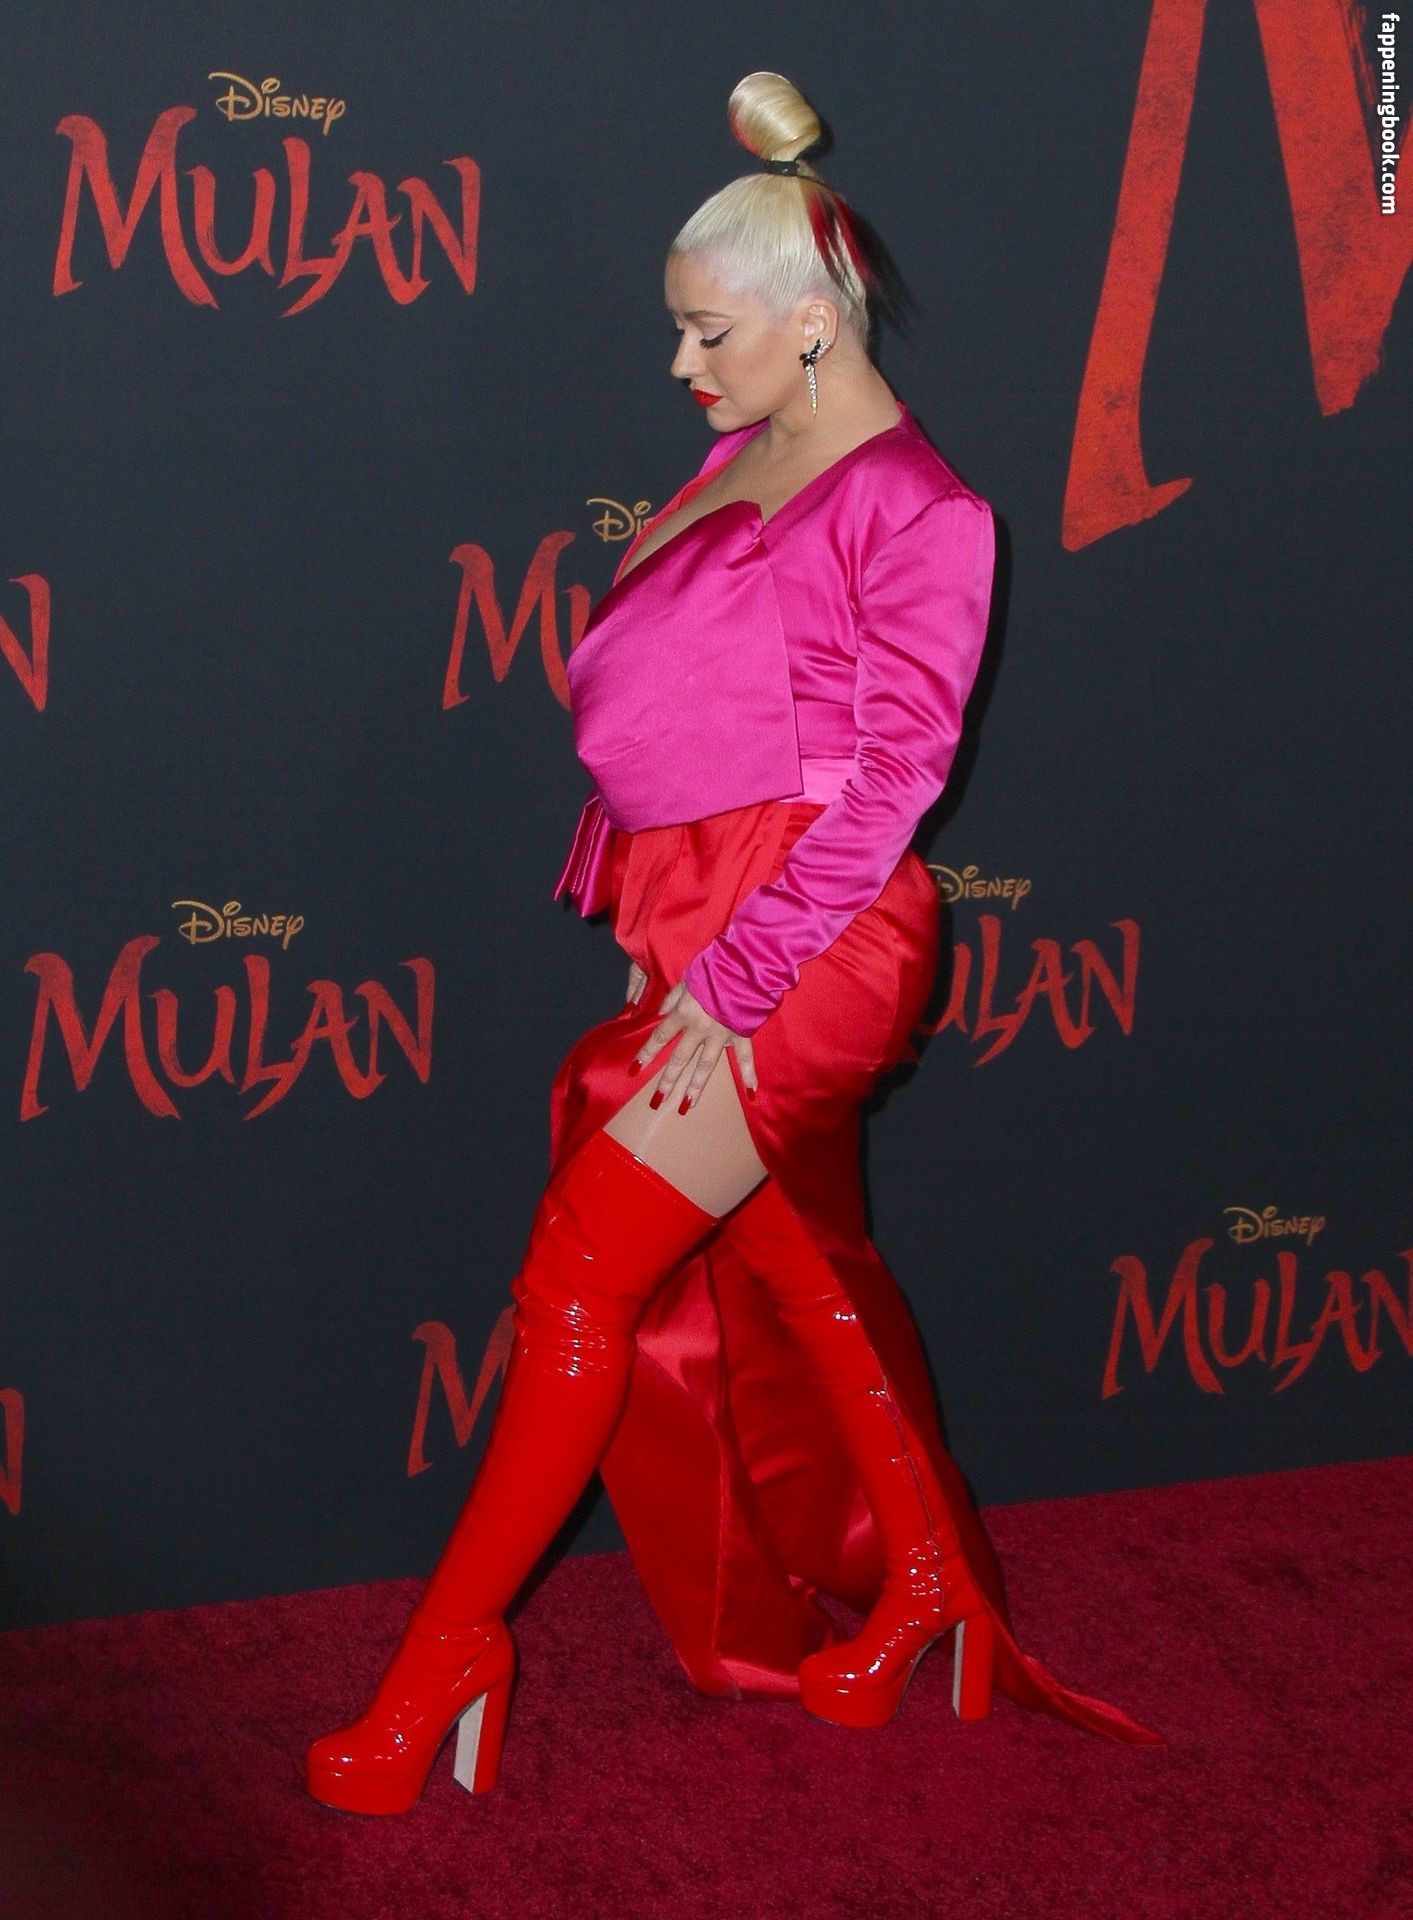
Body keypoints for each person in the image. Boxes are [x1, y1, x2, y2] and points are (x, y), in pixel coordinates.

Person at [306, 69, 1164, 1817]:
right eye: (681, 331)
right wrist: (656, 924)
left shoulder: (922, 510)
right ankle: (923, 1584)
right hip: (700, 916)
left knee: (576, 1278)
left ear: (812, 320)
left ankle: (446, 1658)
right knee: (788, 1266)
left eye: (708, 332)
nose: (680, 365)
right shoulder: (741, 452)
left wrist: (736, 971)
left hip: (812, 938)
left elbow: (892, 781)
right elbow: (688, 716)